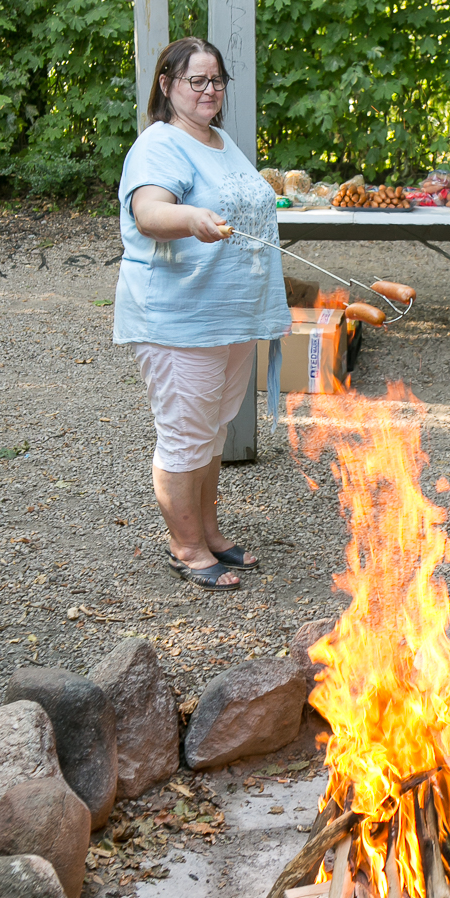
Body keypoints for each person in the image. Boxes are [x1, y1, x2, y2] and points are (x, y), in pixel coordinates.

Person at [113, 36, 290, 593]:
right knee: (185, 436)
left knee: (212, 433)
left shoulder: (219, 140)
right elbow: (149, 212)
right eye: (197, 80)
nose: (210, 90)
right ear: (167, 85)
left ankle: (209, 533)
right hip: (180, 319)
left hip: (231, 316)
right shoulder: (158, 145)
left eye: (217, 80)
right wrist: (190, 218)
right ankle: (185, 548)